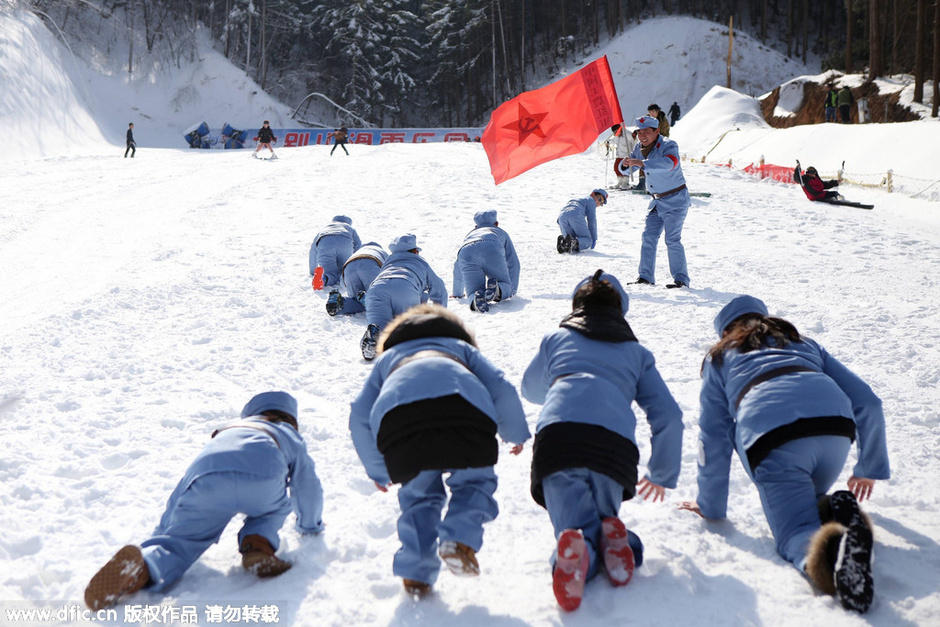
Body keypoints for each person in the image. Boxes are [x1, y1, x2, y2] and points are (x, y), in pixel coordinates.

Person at [679, 295, 890, 613]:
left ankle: (832, 563)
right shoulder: (804, 343)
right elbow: (869, 402)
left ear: (725, 332)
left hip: (774, 438)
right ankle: (834, 511)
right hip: (835, 431)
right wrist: (868, 466)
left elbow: (714, 436)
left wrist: (710, 504)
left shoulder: (720, 357)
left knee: (794, 531)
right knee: (804, 488)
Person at [521, 270, 683, 611]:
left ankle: (582, 555)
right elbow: (668, 415)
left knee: (573, 528)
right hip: (613, 448)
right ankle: (626, 547)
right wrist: (661, 472)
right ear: (619, 311)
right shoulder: (636, 354)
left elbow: (530, 389)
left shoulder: (556, 339)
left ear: (576, 306)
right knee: (600, 522)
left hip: (559, 439)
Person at [349, 303, 531, 597]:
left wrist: (379, 469)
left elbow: (359, 413)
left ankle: (415, 573)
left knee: (419, 498)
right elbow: (501, 387)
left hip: (401, 423)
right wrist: (514, 433)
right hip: (465, 412)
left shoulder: (388, 359)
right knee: (475, 482)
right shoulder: (461, 348)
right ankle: (458, 539)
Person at [83, 391, 324, 611]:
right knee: (275, 508)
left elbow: (185, 483)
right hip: (264, 479)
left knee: (180, 542)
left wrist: (166, 532)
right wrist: (309, 525)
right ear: (291, 420)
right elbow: (307, 484)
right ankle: (258, 545)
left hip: (206, 480)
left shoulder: (227, 430)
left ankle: (144, 567)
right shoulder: (287, 433)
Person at [618, 115, 691, 289]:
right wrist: (625, 164)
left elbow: (670, 164)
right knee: (648, 237)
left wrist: (642, 163)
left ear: (657, 131)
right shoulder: (638, 147)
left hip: (675, 200)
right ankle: (645, 277)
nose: (642, 135)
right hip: (657, 202)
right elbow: (628, 170)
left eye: (646, 132)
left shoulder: (668, 145)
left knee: (672, 240)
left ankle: (681, 280)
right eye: (639, 132)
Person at [360, 234, 447, 360]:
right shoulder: (420, 262)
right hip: (405, 286)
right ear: (415, 251)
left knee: (381, 328)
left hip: (376, 289)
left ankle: (373, 340)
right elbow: (439, 290)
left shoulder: (388, 261)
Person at [451, 210, 520, 313]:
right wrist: (511, 289)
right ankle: (497, 290)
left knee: (473, 292)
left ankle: (475, 300)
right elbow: (513, 263)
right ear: (496, 224)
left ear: (476, 226)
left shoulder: (470, 235)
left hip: (466, 252)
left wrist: (457, 292)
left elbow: (458, 267)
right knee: (504, 284)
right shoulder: (499, 231)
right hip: (491, 247)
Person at [326, 241, 388, 316]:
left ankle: (339, 303)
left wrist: (348, 286)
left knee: (355, 300)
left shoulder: (357, 252)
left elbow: (343, 282)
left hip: (349, 268)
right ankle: (370, 301)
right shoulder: (382, 252)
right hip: (370, 264)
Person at [309, 215, 362, 290]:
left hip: (325, 243)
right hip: (345, 243)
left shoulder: (325, 228)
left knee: (330, 273)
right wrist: (355, 262)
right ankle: (344, 279)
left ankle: (322, 279)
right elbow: (358, 246)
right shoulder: (349, 227)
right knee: (344, 269)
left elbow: (313, 250)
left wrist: (312, 271)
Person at [556, 189, 607, 254]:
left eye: (602, 203)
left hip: (562, 217)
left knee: (570, 238)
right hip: (575, 214)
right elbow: (592, 221)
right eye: (600, 199)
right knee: (587, 240)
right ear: (593, 194)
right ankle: (572, 243)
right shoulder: (591, 200)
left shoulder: (577, 200)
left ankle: (563, 243)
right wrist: (593, 239)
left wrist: (560, 223)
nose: (599, 203)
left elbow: (564, 212)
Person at [607, 124, 636, 189]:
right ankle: (620, 182)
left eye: (616, 132)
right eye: (614, 132)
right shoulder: (617, 135)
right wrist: (609, 143)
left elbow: (634, 142)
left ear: (620, 129)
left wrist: (634, 153)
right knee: (616, 168)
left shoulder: (627, 134)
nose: (615, 134)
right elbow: (614, 140)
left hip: (626, 155)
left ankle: (625, 182)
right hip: (619, 155)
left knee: (624, 169)